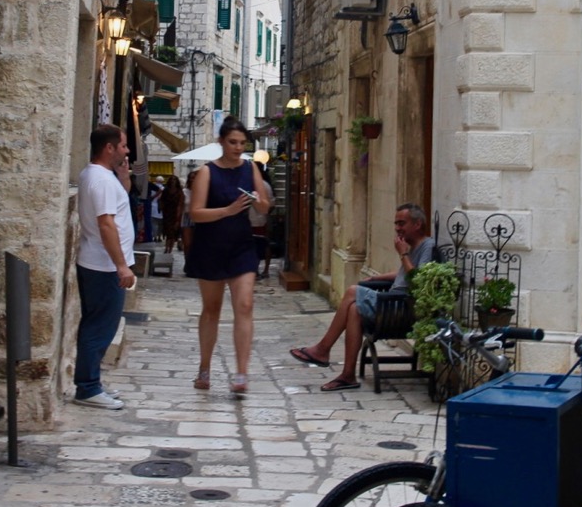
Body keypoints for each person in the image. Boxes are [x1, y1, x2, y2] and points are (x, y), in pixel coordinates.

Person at [289, 203, 434, 391]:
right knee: (354, 309)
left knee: (352, 291)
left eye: (401, 223)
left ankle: (323, 349)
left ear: (417, 224)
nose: (397, 228)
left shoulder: (426, 246)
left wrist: (403, 254)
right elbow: (403, 274)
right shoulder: (412, 246)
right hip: (392, 305)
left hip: (401, 308)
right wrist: (376, 277)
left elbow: (418, 281)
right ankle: (348, 375)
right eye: (396, 224)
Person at [185, 117, 269, 395]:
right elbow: (196, 213)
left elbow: (265, 207)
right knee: (212, 309)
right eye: (233, 142)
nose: (238, 147)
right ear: (221, 142)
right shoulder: (207, 172)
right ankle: (204, 368)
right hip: (211, 245)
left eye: (242, 143)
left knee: (244, 305)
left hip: (241, 245)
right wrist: (228, 210)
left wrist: (258, 202)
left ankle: (242, 373)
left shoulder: (250, 168)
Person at [73, 124, 136, 409]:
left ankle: (92, 382)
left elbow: (118, 205)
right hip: (104, 265)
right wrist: (121, 265)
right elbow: (106, 224)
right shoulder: (100, 180)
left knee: (101, 325)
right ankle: (87, 388)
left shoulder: (102, 177)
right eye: (123, 145)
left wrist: (124, 178)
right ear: (109, 148)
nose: (127, 150)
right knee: (99, 327)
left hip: (101, 263)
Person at [249, 163, 276, 279]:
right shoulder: (266, 185)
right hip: (261, 219)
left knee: (255, 245)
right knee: (264, 244)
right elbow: (272, 203)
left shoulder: (254, 184)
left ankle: (255, 270)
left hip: (253, 220)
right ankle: (264, 270)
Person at [159, 174, 185, 256]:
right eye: (172, 179)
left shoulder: (179, 191)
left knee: (173, 232)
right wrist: (161, 208)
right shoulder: (166, 190)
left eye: (174, 180)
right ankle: (167, 247)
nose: (173, 181)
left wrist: (179, 215)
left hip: (175, 213)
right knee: (168, 231)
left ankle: (169, 248)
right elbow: (162, 200)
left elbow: (180, 204)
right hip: (167, 213)